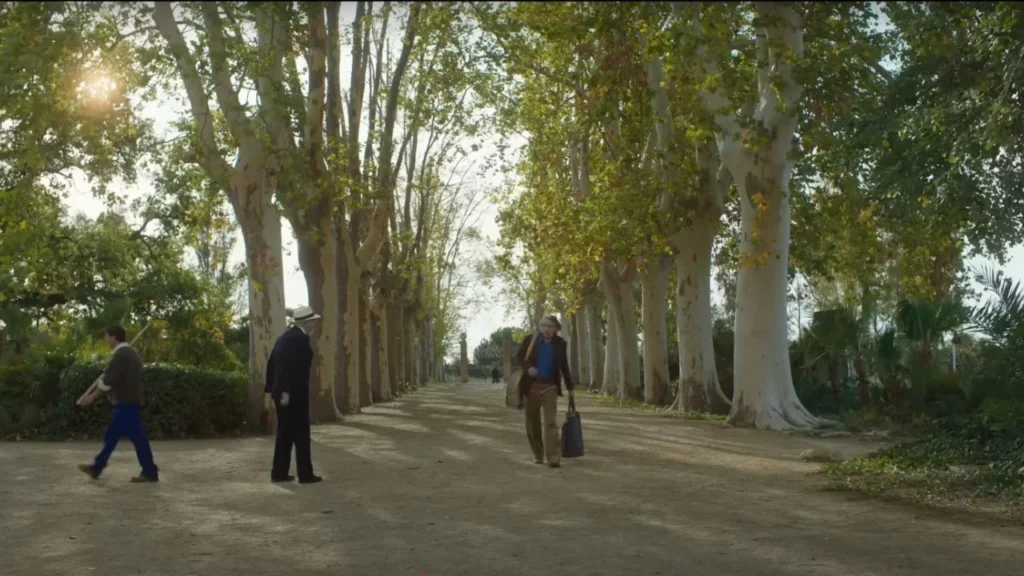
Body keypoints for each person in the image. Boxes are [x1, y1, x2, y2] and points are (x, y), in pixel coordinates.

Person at [77, 325, 160, 483]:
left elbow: (109, 380)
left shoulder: (122, 355)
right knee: (124, 437)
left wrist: (92, 397)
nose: (106, 339)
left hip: (126, 403)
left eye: (107, 336)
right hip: (130, 402)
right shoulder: (129, 354)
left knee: (119, 437)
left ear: (114, 337)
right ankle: (148, 471)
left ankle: (98, 467)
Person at [265, 306, 323, 484]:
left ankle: (279, 472)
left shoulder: (286, 337)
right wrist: (285, 393)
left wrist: (272, 389)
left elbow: (272, 364)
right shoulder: (297, 340)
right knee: (300, 433)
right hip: (292, 394)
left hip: (284, 392)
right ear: (305, 322)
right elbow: (285, 368)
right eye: (312, 321)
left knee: (285, 433)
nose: (314, 324)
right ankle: (305, 474)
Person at [515, 314, 575, 468]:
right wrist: (528, 368)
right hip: (531, 387)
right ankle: (537, 454)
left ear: (556, 329)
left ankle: (553, 457)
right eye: (543, 325)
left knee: (550, 422)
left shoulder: (560, 344)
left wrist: (570, 388)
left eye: (550, 326)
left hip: (550, 387)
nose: (546, 329)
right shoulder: (530, 340)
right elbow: (519, 356)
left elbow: (564, 367)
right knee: (532, 422)